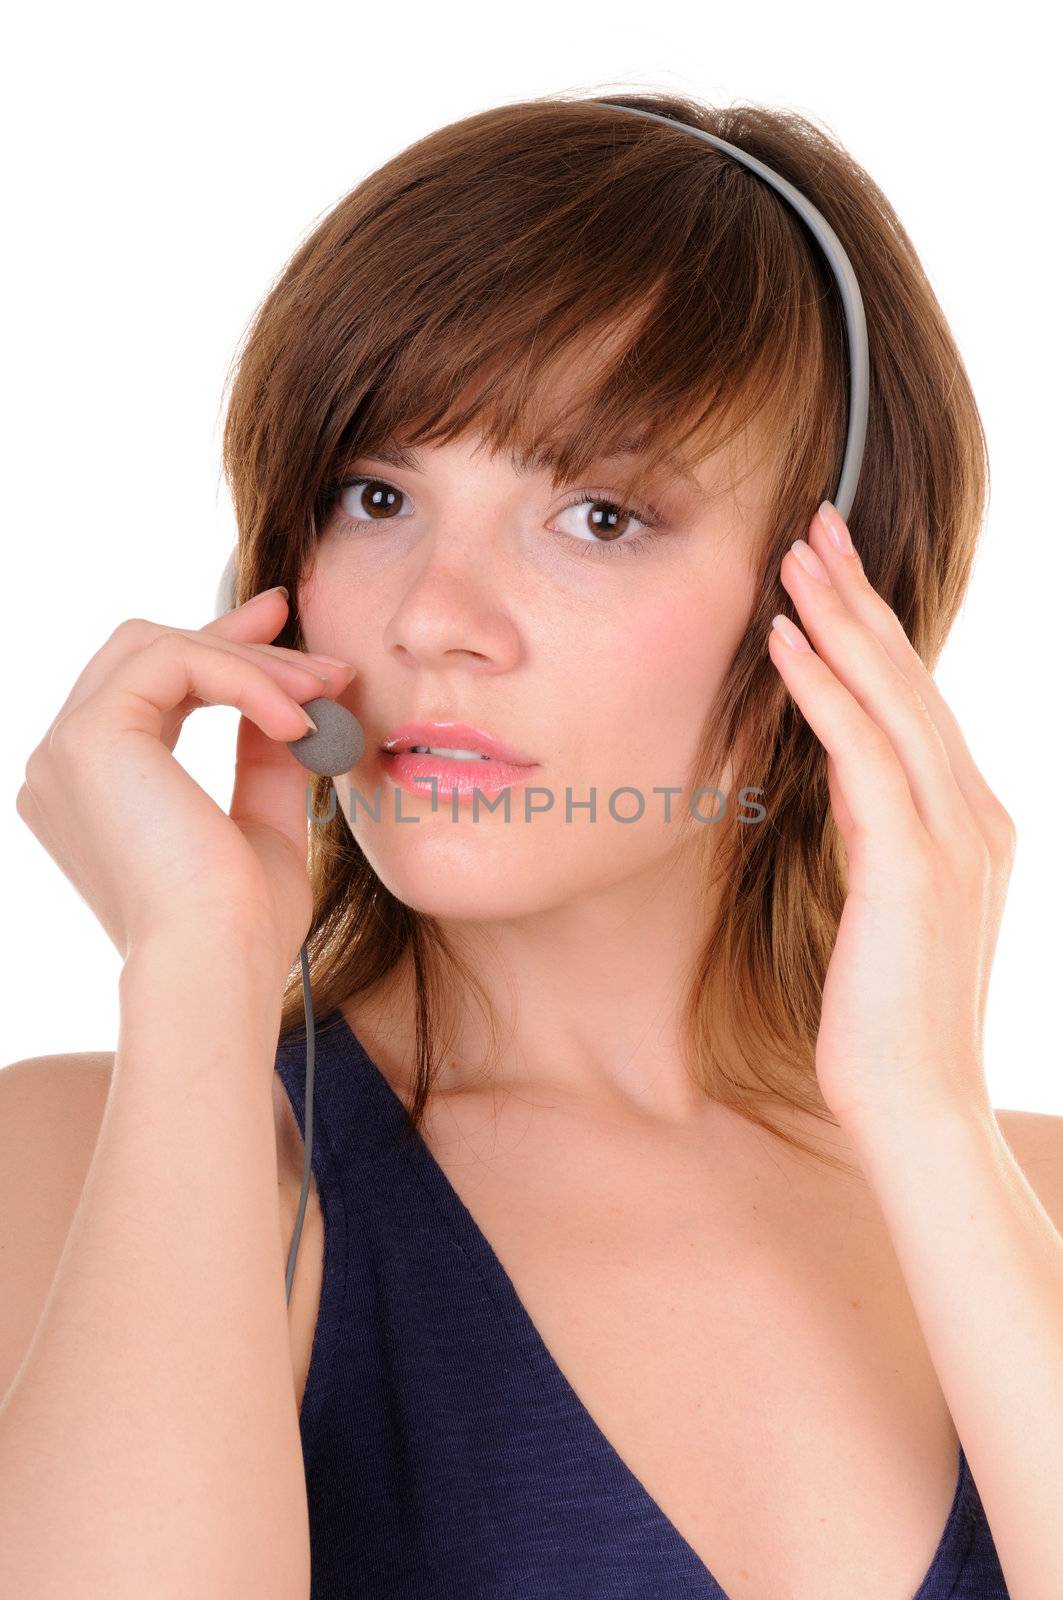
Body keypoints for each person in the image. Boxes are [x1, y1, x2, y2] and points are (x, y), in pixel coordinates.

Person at [2, 89, 1056, 1599]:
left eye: (601, 517)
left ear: (835, 606)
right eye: (375, 496)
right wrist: (192, 972)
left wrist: (924, 1111)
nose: (434, 615)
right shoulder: (92, 1155)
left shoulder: (1025, 1202)